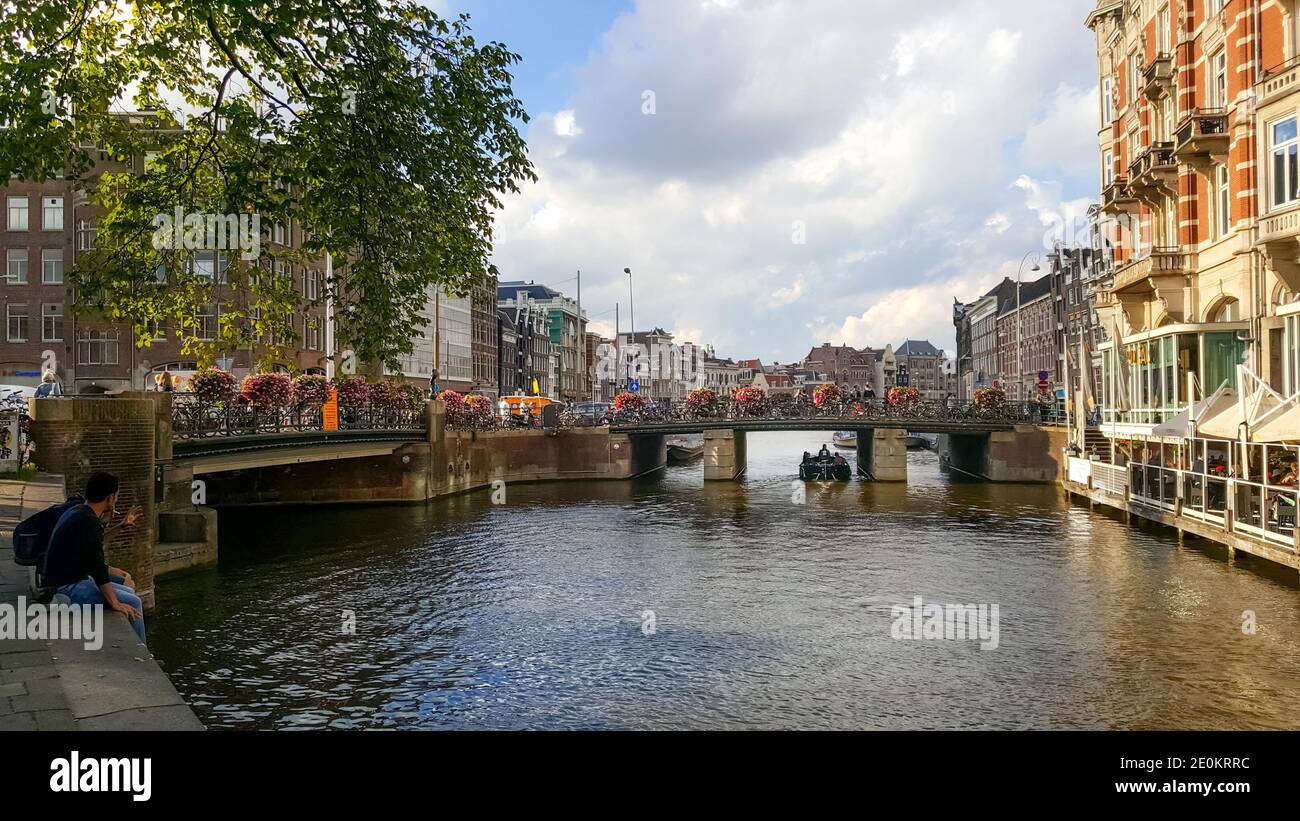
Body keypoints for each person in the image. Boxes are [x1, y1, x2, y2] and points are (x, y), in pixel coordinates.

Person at [42, 473, 146, 643]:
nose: (117, 500)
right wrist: (115, 603)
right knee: (133, 601)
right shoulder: (88, 521)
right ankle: (143, 655)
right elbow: (97, 568)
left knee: (129, 591)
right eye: (117, 496)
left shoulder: (81, 512)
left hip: (71, 577)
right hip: (66, 586)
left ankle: (134, 641)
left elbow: (93, 545)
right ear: (110, 498)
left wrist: (121, 526)